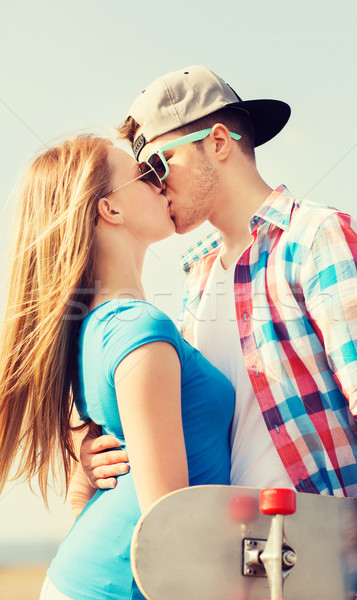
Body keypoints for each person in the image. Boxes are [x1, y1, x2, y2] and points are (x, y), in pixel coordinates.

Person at [80, 66, 357, 600]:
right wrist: (99, 453)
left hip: (317, 566)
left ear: (220, 143)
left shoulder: (319, 238)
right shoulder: (196, 276)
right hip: (229, 571)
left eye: (158, 164)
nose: (153, 184)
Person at [0, 134, 235, 600]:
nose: (162, 182)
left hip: (91, 579)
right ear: (111, 210)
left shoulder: (97, 326)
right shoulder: (137, 326)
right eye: (146, 175)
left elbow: (85, 488)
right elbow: (168, 525)